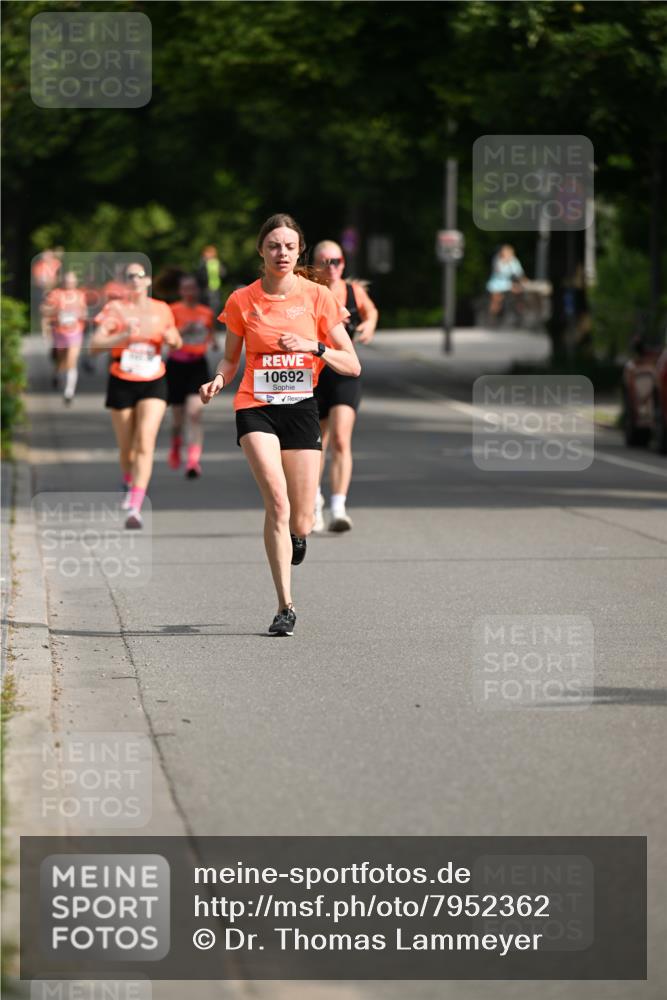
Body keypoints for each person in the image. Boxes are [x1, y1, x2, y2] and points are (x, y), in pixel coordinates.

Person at [199, 214, 360, 636]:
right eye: (273, 246)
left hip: (302, 409)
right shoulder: (242, 300)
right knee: (277, 501)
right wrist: (218, 379)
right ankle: (285, 606)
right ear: (261, 251)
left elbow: (352, 364)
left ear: (299, 251)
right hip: (256, 407)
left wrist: (314, 345)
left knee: (302, 519)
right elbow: (231, 358)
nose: (281, 253)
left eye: (289, 246)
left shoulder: (319, 297)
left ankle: (298, 535)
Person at [90, 263, 181, 529]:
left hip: (153, 379)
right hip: (122, 379)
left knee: (145, 441)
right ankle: (129, 480)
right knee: (127, 448)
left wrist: (171, 338)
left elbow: (176, 339)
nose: (134, 280)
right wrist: (123, 334)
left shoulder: (161, 309)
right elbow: (95, 346)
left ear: (148, 280)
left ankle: (135, 505)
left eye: (139, 275)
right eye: (128, 276)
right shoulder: (114, 309)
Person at [311, 240, 378, 532]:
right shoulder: (305, 291)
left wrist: (369, 325)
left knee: (340, 439)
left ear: (343, 264)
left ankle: (338, 508)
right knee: (315, 445)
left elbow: (370, 311)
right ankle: (313, 503)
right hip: (311, 374)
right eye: (324, 261)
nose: (331, 267)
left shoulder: (353, 291)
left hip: (343, 372)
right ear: (314, 265)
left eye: (336, 261)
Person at [167, 274, 215, 477]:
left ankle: (193, 461)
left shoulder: (206, 312)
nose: (189, 292)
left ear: (198, 290)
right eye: (185, 288)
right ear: (180, 291)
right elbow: (167, 337)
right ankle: (176, 445)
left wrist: (211, 341)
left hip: (198, 365)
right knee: (178, 419)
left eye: (192, 288)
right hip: (176, 365)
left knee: (195, 414)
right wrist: (182, 330)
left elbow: (210, 335)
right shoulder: (173, 310)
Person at [40, 270, 88, 404]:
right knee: (61, 360)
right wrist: (57, 311)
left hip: (76, 331)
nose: (69, 282)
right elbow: (44, 309)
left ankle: (69, 392)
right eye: (67, 280)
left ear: (76, 281)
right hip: (60, 331)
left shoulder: (80, 295)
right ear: (63, 281)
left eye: (72, 280)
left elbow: (84, 312)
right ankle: (56, 374)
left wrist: (81, 314)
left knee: (72, 359)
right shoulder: (56, 294)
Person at [486, 244, 525, 320]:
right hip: (496, 283)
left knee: (520, 291)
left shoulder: (514, 260)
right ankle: (492, 316)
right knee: (496, 300)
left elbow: (519, 273)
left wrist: (523, 281)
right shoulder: (497, 259)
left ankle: (519, 310)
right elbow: (498, 271)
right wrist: (505, 261)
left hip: (508, 283)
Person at [196, 245, 227, 321]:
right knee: (208, 308)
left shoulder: (212, 263)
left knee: (213, 307)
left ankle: (212, 323)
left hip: (214, 289)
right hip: (206, 289)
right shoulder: (209, 262)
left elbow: (223, 273)